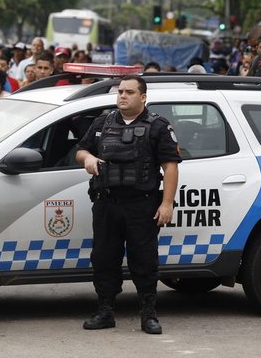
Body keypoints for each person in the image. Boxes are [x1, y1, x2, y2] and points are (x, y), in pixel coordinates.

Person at [76, 75, 181, 335]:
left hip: (141, 205)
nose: (123, 96)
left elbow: (170, 166)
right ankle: (105, 310)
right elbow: (80, 150)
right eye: (120, 91)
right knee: (103, 258)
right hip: (106, 203)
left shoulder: (158, 126)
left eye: (130, 92)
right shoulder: (102, 122)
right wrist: (87, 158)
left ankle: (148, 314)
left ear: (143, 97)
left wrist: (167, 203)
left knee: (144, 260)